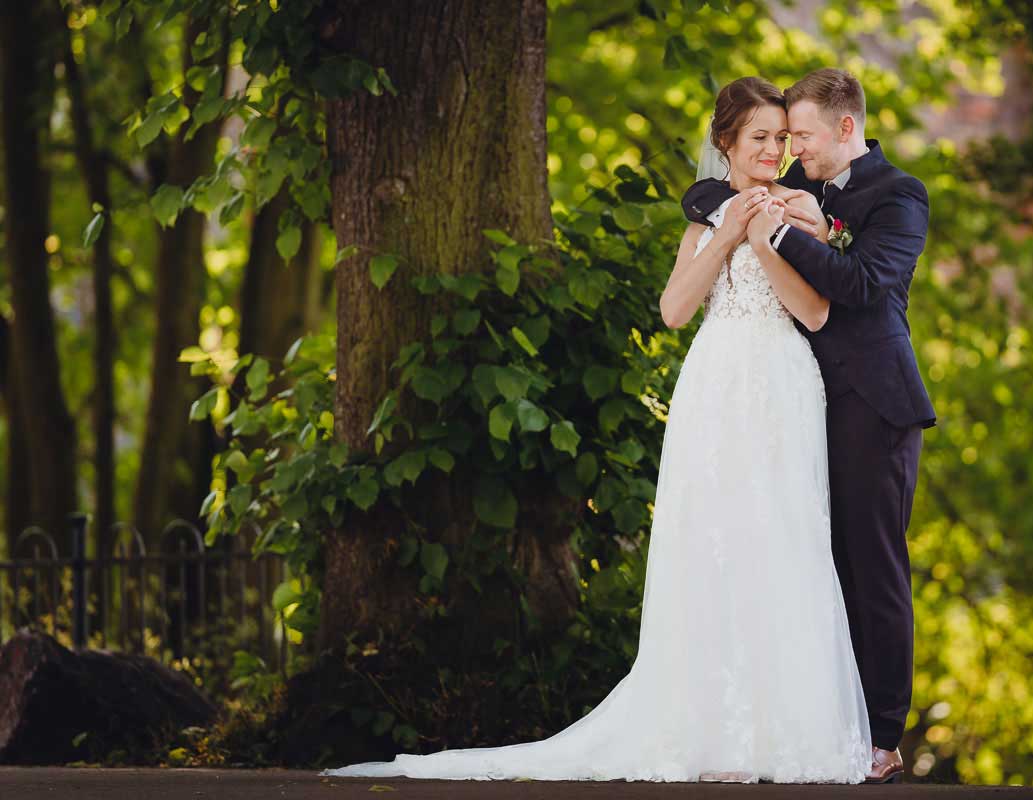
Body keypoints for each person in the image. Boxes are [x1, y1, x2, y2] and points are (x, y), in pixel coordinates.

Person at [321, 77, 873, 784]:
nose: (775, 150)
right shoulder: (705, 220)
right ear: (726, 144)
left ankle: (783, 729)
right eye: (760, 138)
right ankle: (715, 730)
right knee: (716, 541)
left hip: (785, 383)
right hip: (717, 386)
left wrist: (766, 238)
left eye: (781, 138)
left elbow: (816, 313)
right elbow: (675, 310)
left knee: (783, 537)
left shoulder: (802, 211)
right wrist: (730, 231)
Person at [682, 67, 937, 785]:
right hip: (798, 405)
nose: (791, 150)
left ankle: (882, 738)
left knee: (870, 568)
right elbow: (709, 189)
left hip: (874, 402)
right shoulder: (809, 182)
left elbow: (860, 284)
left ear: (845, 129)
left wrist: (780, 230)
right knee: (806, 568)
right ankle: (826, 727)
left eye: (802, 137)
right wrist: (740, 206)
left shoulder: (899, 196)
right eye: (785, 137)